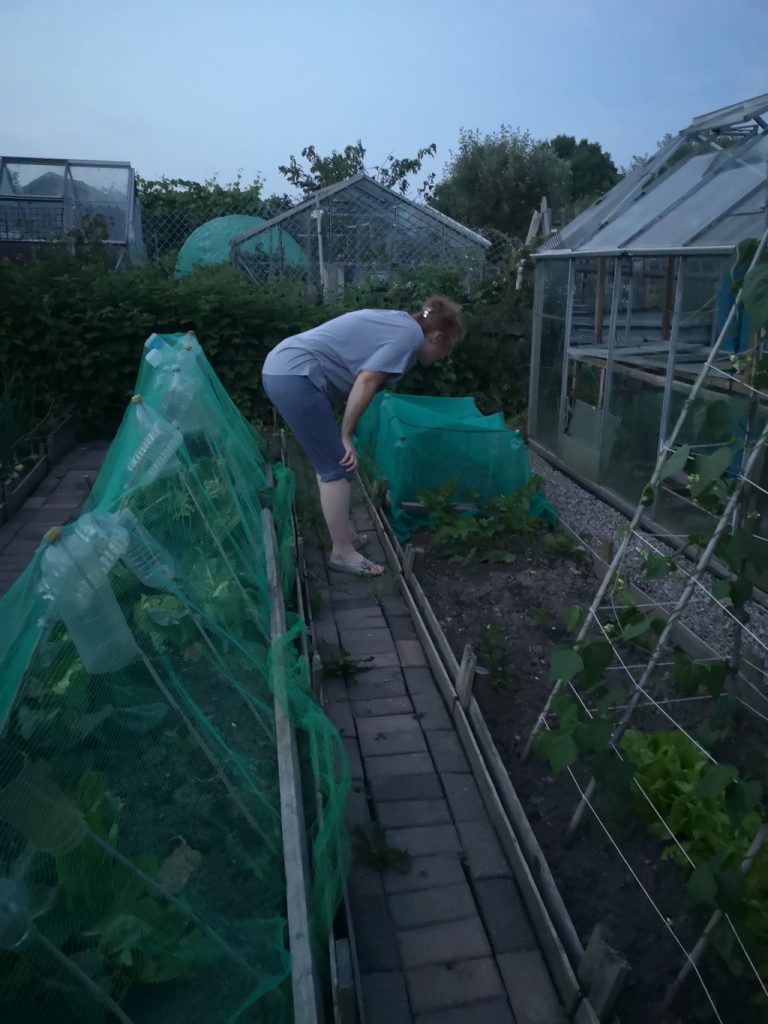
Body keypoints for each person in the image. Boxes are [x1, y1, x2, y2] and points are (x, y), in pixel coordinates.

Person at [262, 296, 464, 576]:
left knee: (331, 459)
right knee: (336, 465)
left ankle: (343, 532)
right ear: (437, 337)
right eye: (447, 349)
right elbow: (366, 381)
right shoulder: (407, 338)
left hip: (287, 369)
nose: (444, 357)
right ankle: (342, 552)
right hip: (295, 375)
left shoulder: (401, 323)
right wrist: (346, 435)